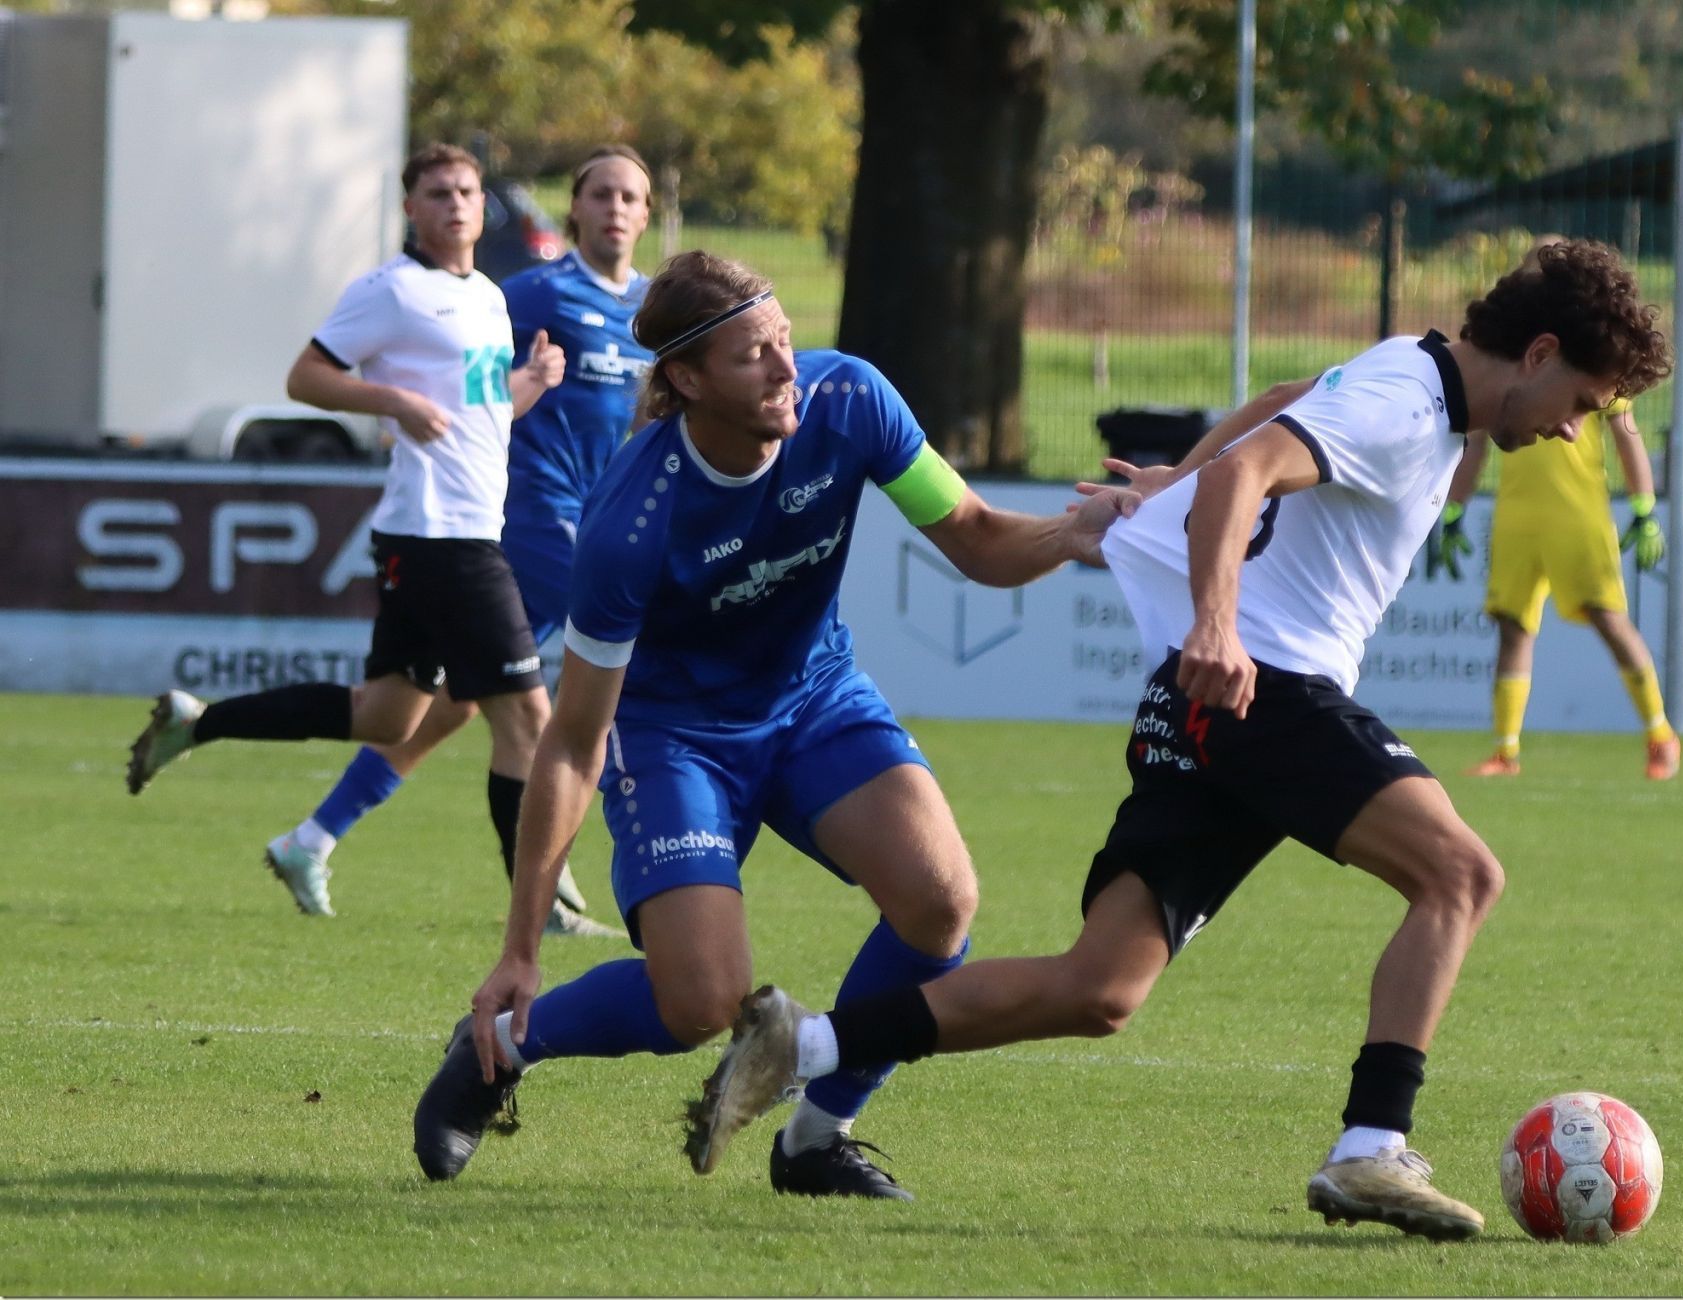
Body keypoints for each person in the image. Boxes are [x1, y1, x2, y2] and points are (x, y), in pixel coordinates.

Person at [682, 239, 1672, 1237]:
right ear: (1538, 352)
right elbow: (1248, 471)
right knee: (1459, 875)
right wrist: (1213, 618)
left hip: (1211, 704)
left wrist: (1170, 481)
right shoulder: (1405, 401)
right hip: (1262, 687)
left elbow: (1284, 396)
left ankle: (800, 1045)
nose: (1569, 431)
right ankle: (1370, 1148)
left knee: (1096, 987)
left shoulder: (1411, 376)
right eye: (1581, 404)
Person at [409, 250, 1141, 1200]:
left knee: (939, 900)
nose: (787, 368)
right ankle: (499, 1050)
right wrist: (521, 951)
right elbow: (574, 742)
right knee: (702, 1001)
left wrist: (1069, 534)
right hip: (674, 735)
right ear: (685, 379)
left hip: (813, 697)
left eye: (786, 340)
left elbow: (975, 535)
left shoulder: (851, 401)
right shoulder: (629, 524)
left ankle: (813, 1140)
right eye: (755, 355)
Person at [125, 143, 566, 922]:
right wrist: (392, 402)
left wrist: (527, 384)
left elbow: (479, 414)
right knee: (527, 721)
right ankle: (537, 919)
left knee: (388, 717)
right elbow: (307, 377)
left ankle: (200, 724)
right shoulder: (392, 291)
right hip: (441, 538)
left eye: (466, 190)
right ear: (411, 209)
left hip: (450, 531)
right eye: (437, 193)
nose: (457, 203)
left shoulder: (490, 299)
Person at [258, 145, 658, 932]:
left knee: (460, 704)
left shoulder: (653, 310)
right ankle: (559, 879)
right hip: (535, 521)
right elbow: (471, 389)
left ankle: (314, 835)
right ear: (574, 208)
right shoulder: (533, 293)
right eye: (601, 193)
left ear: (647, 214)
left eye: (630, 197)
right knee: (576, 694)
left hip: (604, 521)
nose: (615, 208)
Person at [1434, 239, 1679, 781]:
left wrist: (1643, 505)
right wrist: (1454, 509)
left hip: (1578, 511)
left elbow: (1628, 435)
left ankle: (1660, 733)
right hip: (1519, 514)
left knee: (1608, 618)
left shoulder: (1589, 358)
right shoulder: (1507, 366)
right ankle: (1506, 749)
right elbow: (1475, 439)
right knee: (1512, 626)